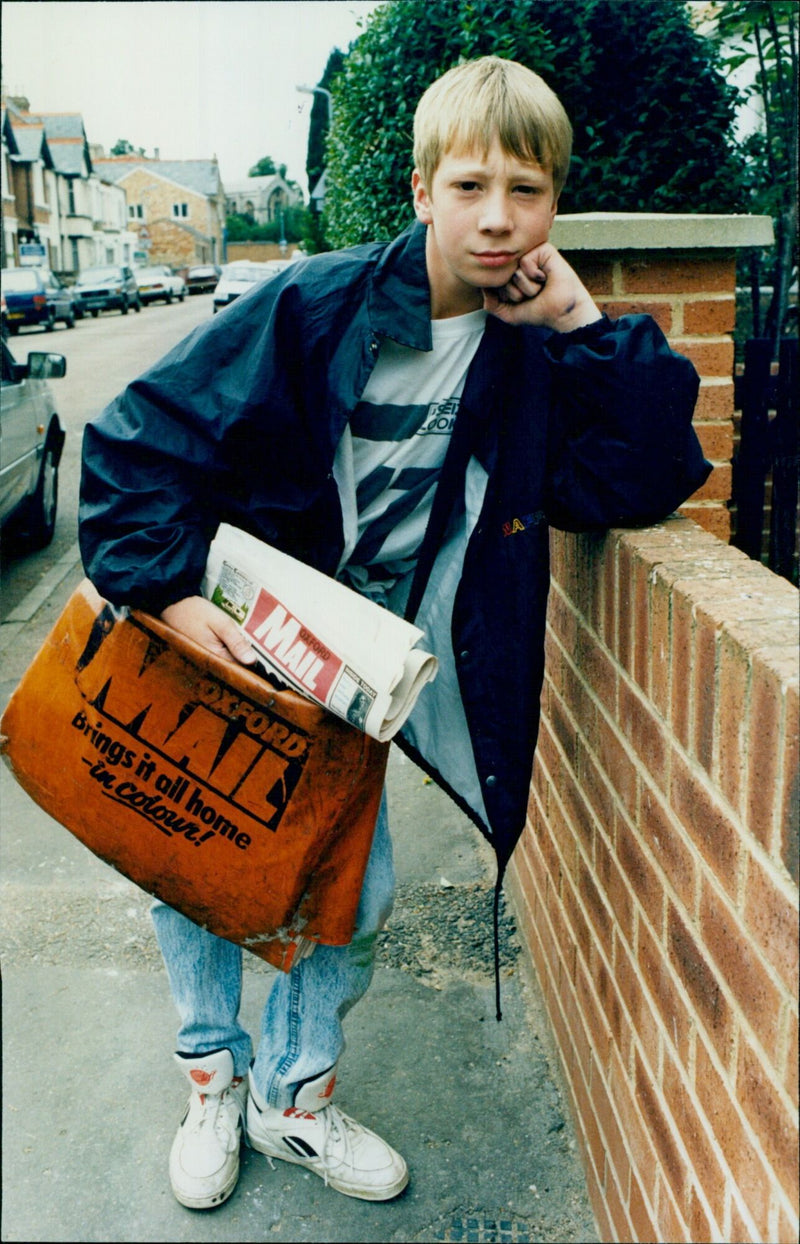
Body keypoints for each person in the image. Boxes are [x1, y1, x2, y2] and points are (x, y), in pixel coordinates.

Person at [79, 56, 710, 1211]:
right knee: (194, 868)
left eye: (525, 190)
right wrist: (172, 602)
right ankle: (211, 1080)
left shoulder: (527, 349)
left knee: (353, 898)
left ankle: (295, 1094)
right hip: (230, 645)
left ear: (552, 206)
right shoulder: (309, 307)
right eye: (469, 185)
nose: (496, 216)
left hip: (358, 670)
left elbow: (645, 474)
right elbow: (128, 450)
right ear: (420, 191)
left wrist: (574, 315)